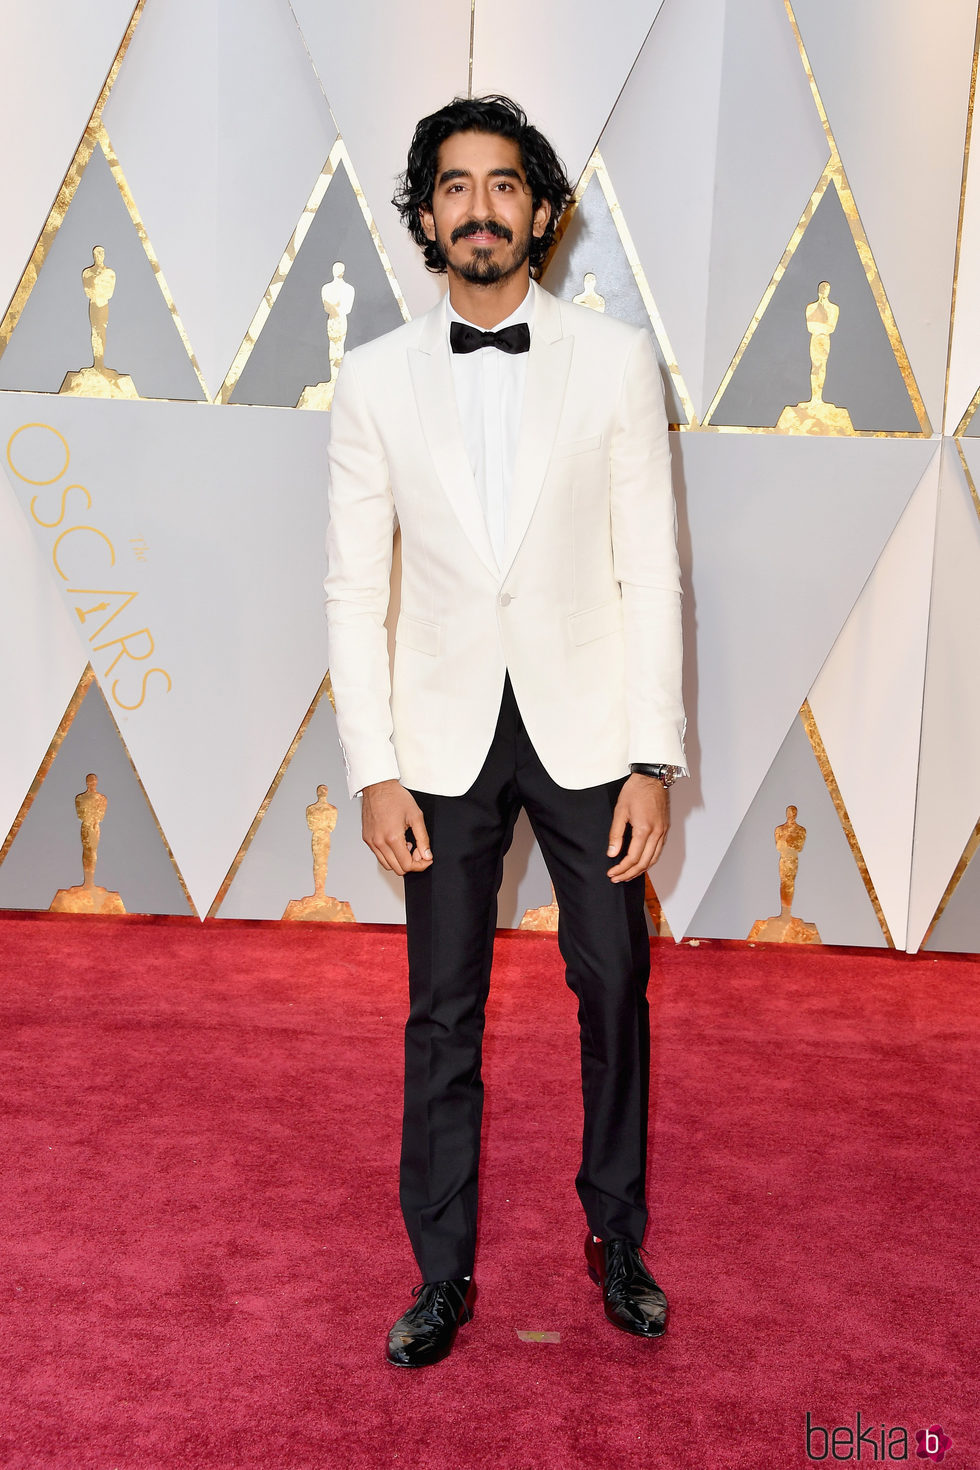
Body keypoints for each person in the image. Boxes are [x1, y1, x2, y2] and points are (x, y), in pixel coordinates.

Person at [324, 95, 687, 1368]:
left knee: (614, 982)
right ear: (426, 214)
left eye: (502, 185)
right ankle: (439, 1271)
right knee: (442, 1009)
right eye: (454, 186)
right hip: (438, 739)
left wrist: (652, 757)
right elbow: (349, 586)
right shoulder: (371, 380)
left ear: (541, 208)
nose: (479, 207)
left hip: (590, 729)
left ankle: (617, 1237)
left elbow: (648, 566)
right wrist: (373, 768)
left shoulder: (615, 360)